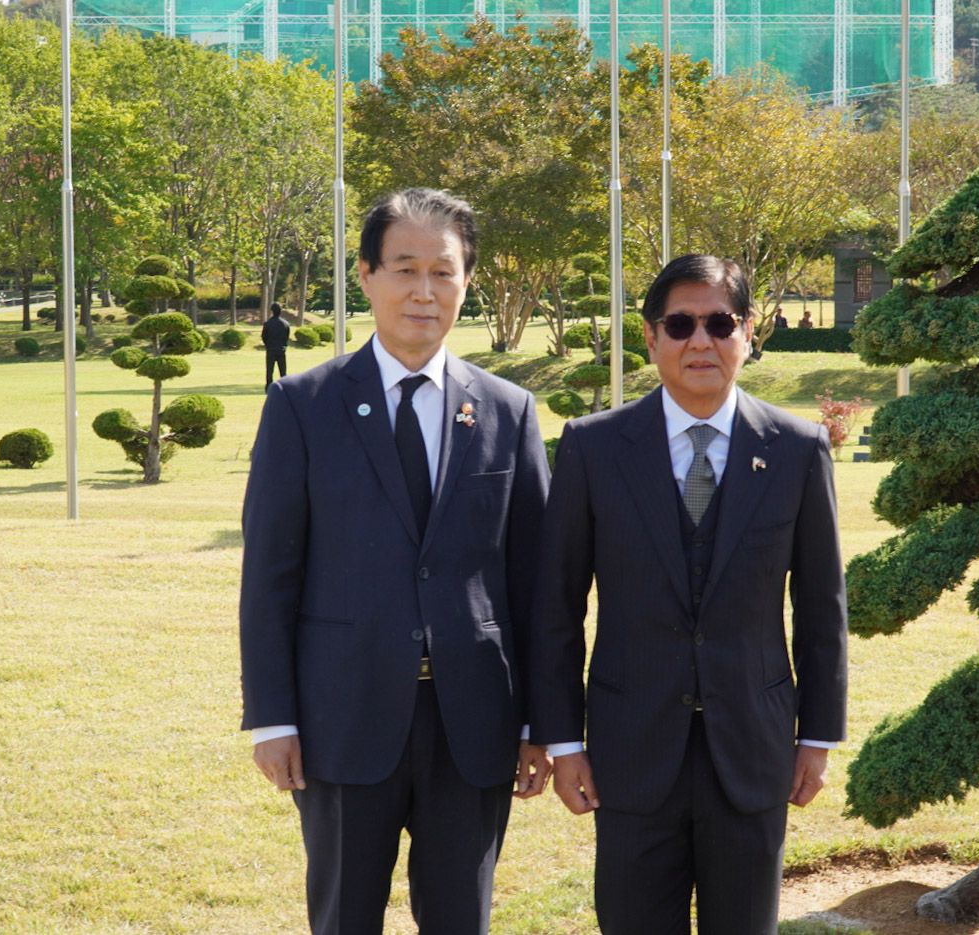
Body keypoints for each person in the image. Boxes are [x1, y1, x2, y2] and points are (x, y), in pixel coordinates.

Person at [240, 188, 552, 935]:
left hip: (474, 722)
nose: (423, 290)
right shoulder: (301, 403)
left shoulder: (508, 409)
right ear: (366, 275)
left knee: (460, 920)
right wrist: (271, 716)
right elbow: (270, 576)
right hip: (339, 719)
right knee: (344, 917)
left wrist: (546, 720)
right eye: (404, 268)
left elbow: (538, 583)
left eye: (442, 272)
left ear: (465, 282)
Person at [530, 253, 848, 935]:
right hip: (627, 749)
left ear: (748, 332)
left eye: (718, 322)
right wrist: (563, 741)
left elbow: (821, 607)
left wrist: (816, 736)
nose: (699, 341)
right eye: (679, 324)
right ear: (650, 337)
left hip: (755, 749)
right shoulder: (592, 448)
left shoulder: (797, 449)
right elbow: (555, 607)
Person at [261, 302, 291, 389]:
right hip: (281, 349)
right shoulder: (285, 324)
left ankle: (269, 386)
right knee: (283, 370)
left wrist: (268, 345)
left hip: (271, 349)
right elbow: (286, 336)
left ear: (272, 311)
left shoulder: (267, 324)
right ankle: (285, 386)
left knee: (269, 370)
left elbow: (264, 336)